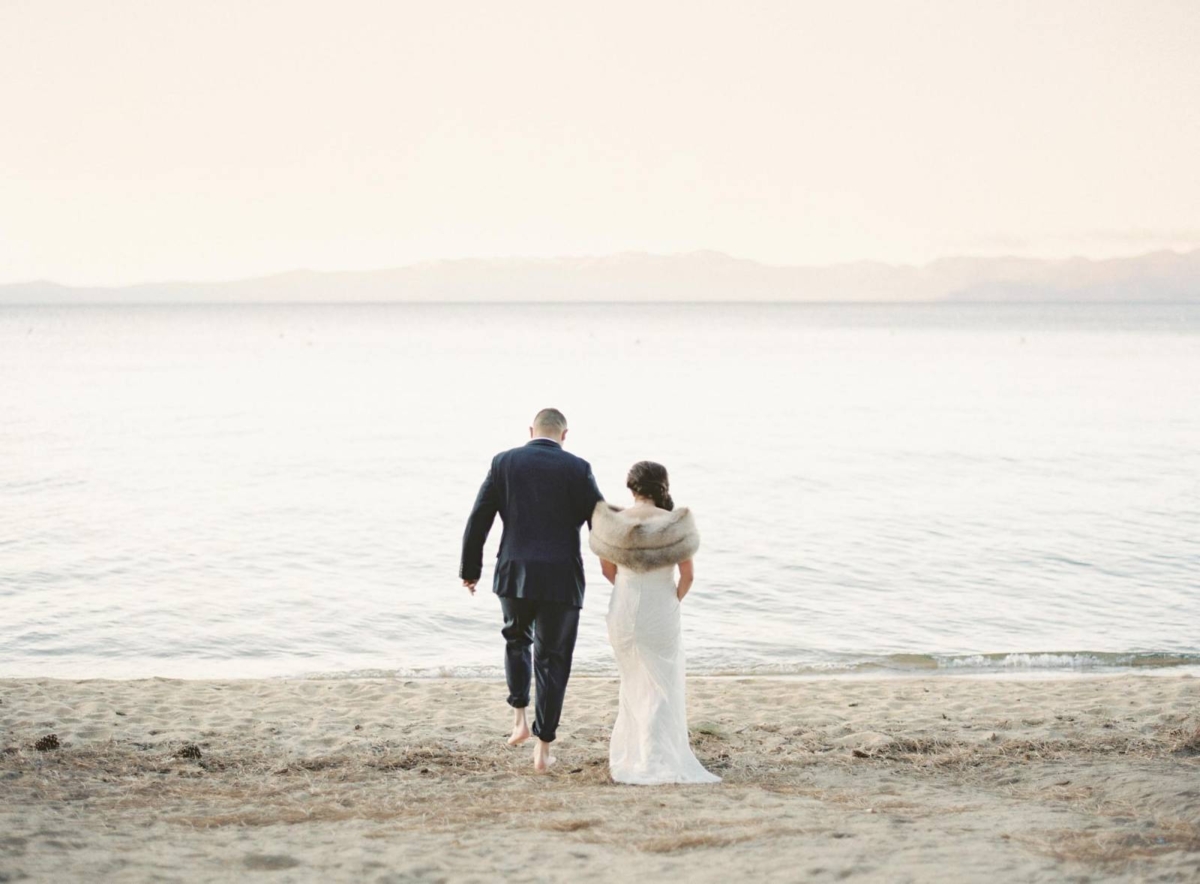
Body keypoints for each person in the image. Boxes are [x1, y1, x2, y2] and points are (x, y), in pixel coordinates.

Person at [460, 408, 603, 772]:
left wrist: (471, 570)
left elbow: (479, 518)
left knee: (516, 640)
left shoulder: (504, 462)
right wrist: (617, 566)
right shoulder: (578, 468)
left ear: (531, 431)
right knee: (553, 660)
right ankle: (543, 748)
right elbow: (599, 523)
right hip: (561, 577)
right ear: (564, 435)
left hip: (514, 572)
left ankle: (519, 718)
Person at [589, 461, 720, 785]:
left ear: (631, 488)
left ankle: (633, 755)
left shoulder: (613, 522)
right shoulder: (675, 523)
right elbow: (688, 575)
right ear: (663, 486)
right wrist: (672, 598)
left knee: (632, 680)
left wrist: (628, 589)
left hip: (624, 605)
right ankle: (656, 756)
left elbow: (608, 571)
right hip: (660, 606)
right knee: (664, 682)